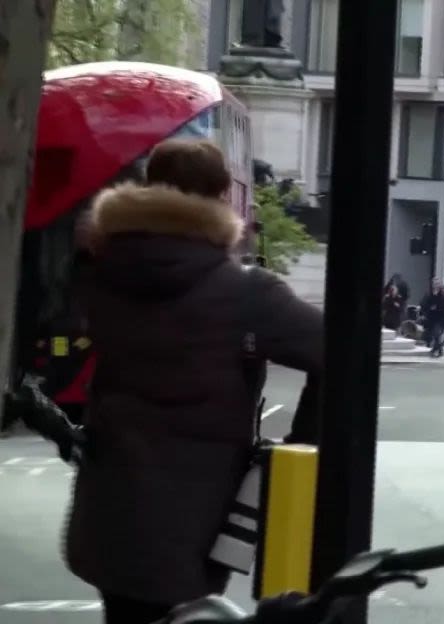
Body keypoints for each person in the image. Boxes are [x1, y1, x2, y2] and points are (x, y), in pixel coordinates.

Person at [64, 138, 323, 624]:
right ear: (222, 197)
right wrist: (301, 444)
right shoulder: (247, 294)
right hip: (198, 520)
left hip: (107, 511)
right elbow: (336, 353)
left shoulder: (98, 269)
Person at [420, 278, 444, 358]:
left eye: (438, 283)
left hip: (440, 317)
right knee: (432, 334)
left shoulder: (443, 294)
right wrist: (425, 311)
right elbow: (424, 303)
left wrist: (437, 307)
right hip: (431, 317)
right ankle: (439, 350)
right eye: (435, 283)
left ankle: (435, 350)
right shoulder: (429, 293)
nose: (436, 285)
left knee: (437, 333)